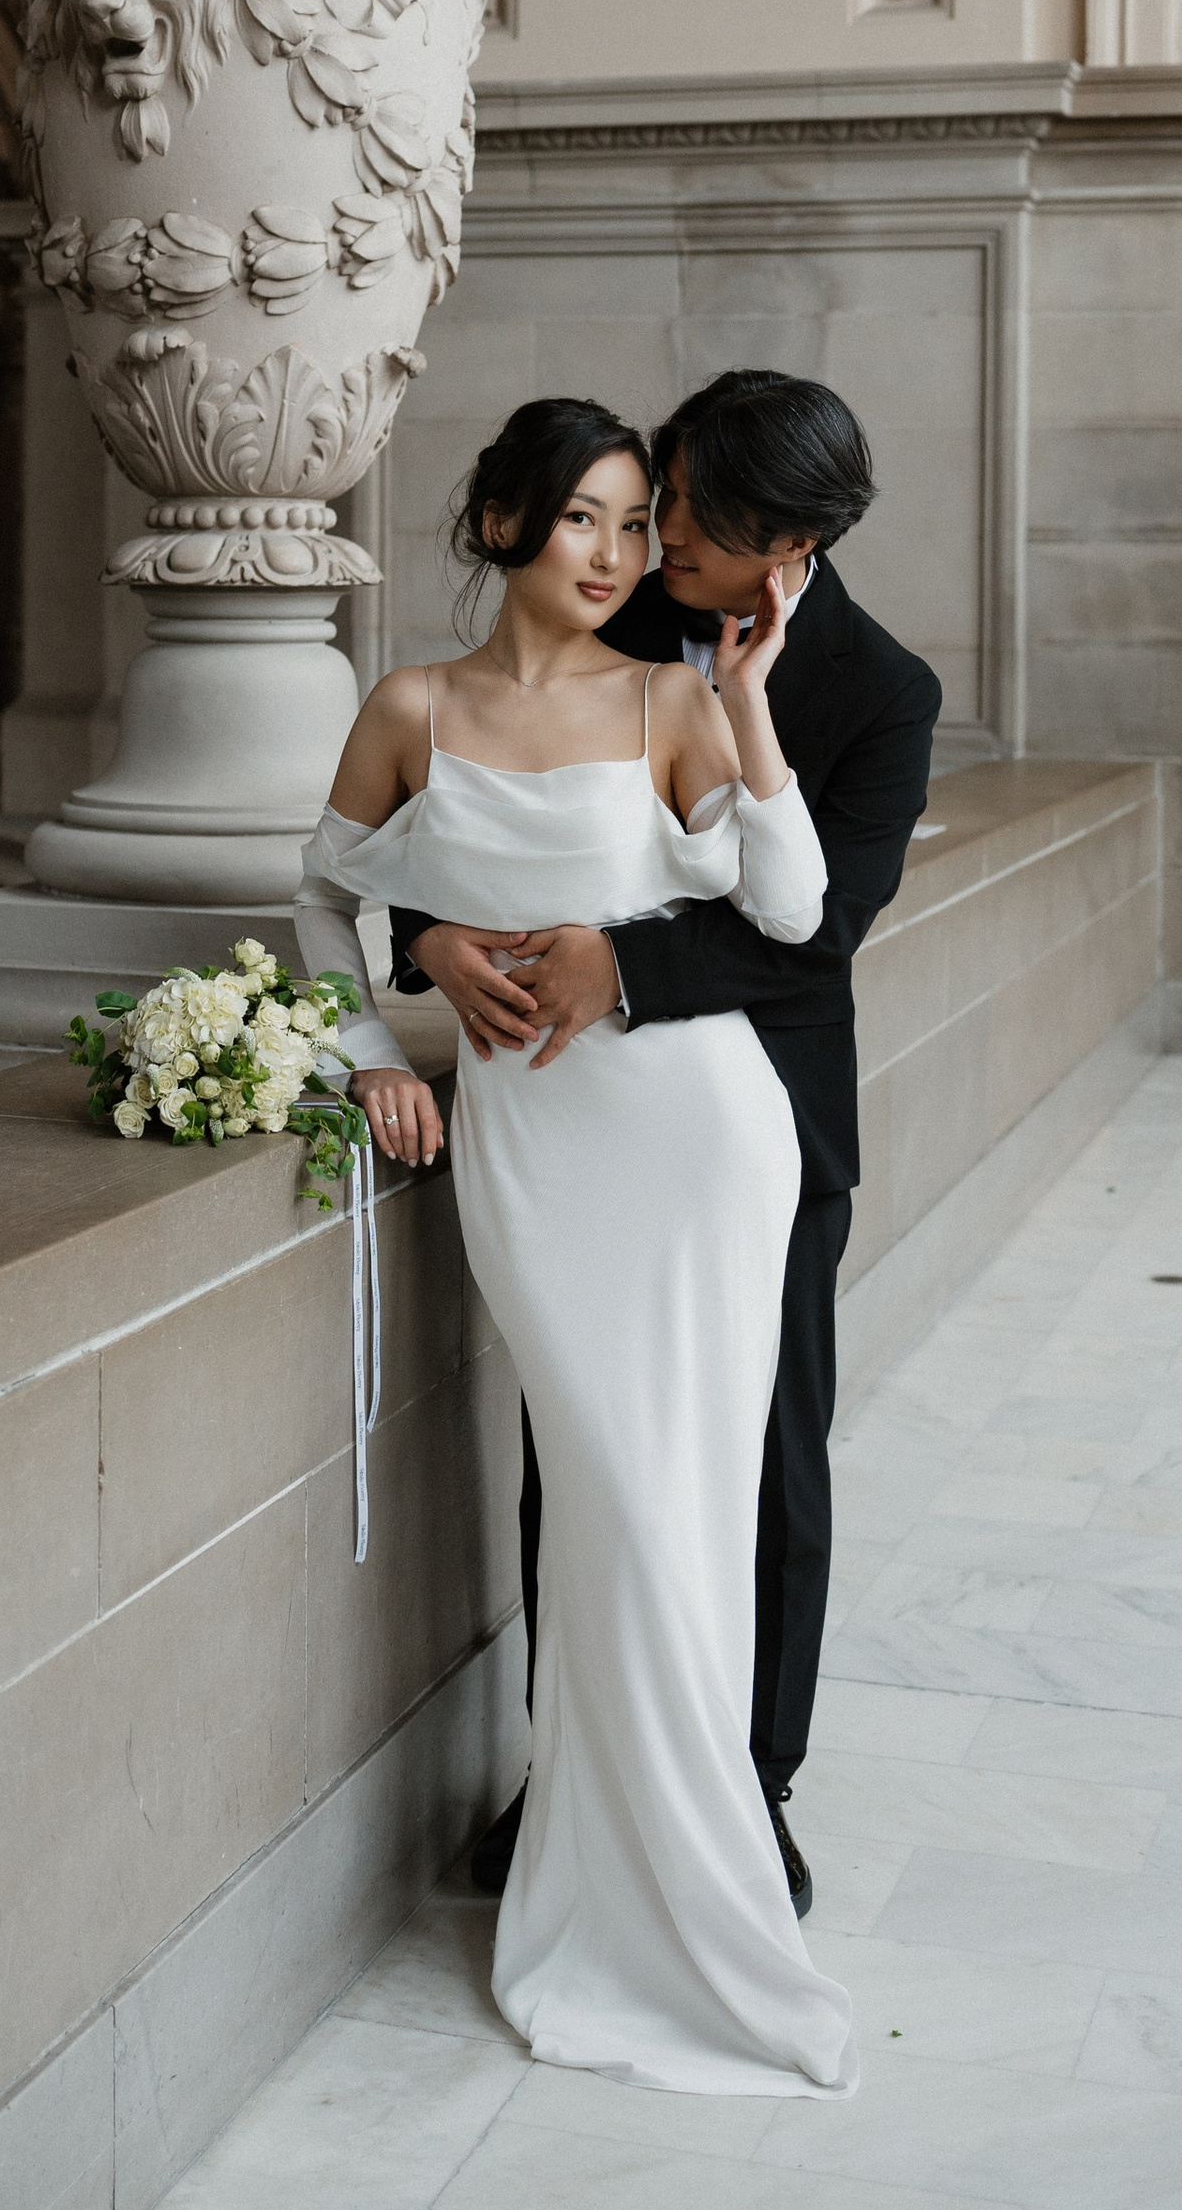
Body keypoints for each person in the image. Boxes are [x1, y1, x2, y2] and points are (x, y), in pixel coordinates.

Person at [295, 398, 856, 2096]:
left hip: (698, 1142)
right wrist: (378, 1045)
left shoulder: (678, 697)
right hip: (534, 1163)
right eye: (584, 520)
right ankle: (625, 1879)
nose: (618, 555)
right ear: (498, 525)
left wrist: (751, 707)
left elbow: (793, 909)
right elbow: (323, 902)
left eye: (634, 522)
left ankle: (692, 1891)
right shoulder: (410, 709)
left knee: (672, 1518)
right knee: (609, 1495)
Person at [398, 370, 940, 1915]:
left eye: (700, 517)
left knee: (767, 1467)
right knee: (577, 1457)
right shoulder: (596, 614)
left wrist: (623, 966)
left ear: (795, 545)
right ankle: (576, 1776)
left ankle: (751, 1790)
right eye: (666, 495)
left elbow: (819, 930)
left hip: (757, 1129)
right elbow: (456, 821)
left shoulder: (882, 691)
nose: (663, 535)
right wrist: (428, 937)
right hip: (569, 1126)